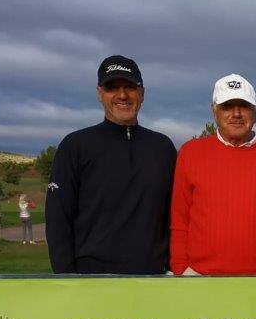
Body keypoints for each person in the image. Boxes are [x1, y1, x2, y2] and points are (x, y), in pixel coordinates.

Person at [46, 55, 176, 274]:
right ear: (100, 94)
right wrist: (67, 279)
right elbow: (58, 220)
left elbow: (175, 217)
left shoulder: (162, 147)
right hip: (92, 279)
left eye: (130, 87)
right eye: (112, 87)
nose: (122, 95)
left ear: (142, 93)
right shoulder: (75, 146)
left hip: (154, 277)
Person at [169, 75, 256, 276]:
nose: (236, 114)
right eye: (227, 106)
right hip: (199, 277)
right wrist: (180, 269)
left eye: (244, 106)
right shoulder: (190, 153)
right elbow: (179, 219)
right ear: (214, 111)